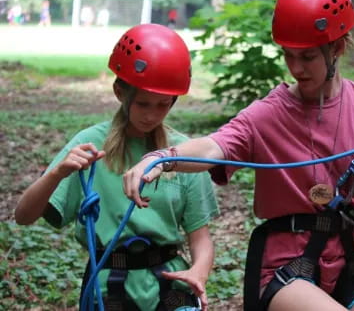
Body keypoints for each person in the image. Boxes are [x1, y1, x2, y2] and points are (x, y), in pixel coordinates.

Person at [123, 0, 354, 311]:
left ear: (338, 47)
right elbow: (214, 146)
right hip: (287, 271)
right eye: (289, 55)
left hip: (349, 266)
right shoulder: (269, 113)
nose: (296, 68)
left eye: (308, 56)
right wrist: (163, 157)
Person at [15, 24, 218, 311]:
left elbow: (201, 237)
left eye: (163, 105)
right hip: (108, 284)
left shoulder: (182, 152)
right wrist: (57, 173)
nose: (152, 115)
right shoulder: (89, 144)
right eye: (143, 104)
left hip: (168, 282)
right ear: (120, 92)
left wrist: (198, 272)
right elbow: (24, 216)